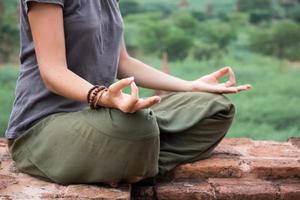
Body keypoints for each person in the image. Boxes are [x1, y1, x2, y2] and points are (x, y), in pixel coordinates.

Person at [6, 0, 251, 187]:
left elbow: (124, 62)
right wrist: (101, 96)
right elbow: (52, 70)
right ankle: (131, 157)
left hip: (105, 119)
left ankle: (128, 162)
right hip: (43, 127)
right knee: (139, 127)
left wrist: (191, 85)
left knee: (216, 108)